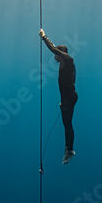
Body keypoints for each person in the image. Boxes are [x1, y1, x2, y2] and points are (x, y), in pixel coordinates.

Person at [39, 29, 78, 164]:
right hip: (68, 98)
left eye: (57, 55)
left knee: (67, 124)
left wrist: (44, 37)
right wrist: (64, 101)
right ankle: (68, 150)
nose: (55, 58)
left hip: (69, 98)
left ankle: (70, 150)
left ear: (61, 54)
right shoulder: (66, 63)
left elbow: (53, 49)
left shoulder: (68, 59)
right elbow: (70, 82)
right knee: (66, 124)